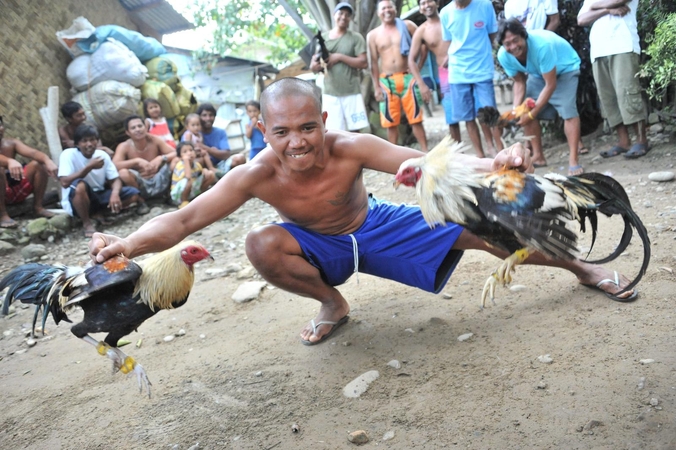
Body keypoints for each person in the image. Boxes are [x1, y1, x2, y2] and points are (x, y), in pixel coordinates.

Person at [89, 78, 637, 346]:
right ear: (263, 131)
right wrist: (129, 244)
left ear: (323, 119)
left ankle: (582, 268)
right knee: (261, 242)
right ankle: (332, 303)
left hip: (375, 225)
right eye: (282, 132)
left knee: (490, 233)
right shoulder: (254, 173)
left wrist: (499, 159)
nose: (299, 142)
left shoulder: (350, 146)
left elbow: (426, 162)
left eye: (308, 128)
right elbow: (184, 220)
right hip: (318, 246)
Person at [496, 18, 584, 174]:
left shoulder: (542, 46)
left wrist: (532, 113)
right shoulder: (503, 55)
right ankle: (538, 156)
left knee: (568, 112)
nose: (513, 47)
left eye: (516, 40)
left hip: (565, 69)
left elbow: (550, 85)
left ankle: (573, 161)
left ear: (524, 36)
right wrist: (517, 111)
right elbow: (519, 83)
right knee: (525, 112)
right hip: (538, 73)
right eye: (507, 44)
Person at [578, 0, 648, 159]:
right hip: (598, 51)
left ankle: (641, 140)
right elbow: (581, 19)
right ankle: (623, 142)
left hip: (623, 45)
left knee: (629, 92)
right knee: (608, 98)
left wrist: (596, 6)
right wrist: (608, 10)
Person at [440, 0, 504, 158]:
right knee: (467, 117)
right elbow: (451, 40)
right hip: (458, 71)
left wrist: (481, 51)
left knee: (490, 113)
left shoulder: (485, 5)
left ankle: (500, 150)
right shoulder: (445, 13)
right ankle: (480, 155)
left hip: (482, 68)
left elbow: (492, 34)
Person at [58, 124, 141, 238]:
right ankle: (87, 223)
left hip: (99, 195)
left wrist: (115, 194)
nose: (89, 144)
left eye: (92, 140)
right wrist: (89, 167)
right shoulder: (68, 155)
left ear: (97, 142)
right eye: (84, 141)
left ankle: (100, 214)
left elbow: (115, 179)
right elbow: (64, 182)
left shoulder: (102, 155)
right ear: (77, 143)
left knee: (133, 195)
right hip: (79, 199)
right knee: (79, 185)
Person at [367, 0, 428, 151]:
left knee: (416, 119)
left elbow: (423, 45)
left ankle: (425, 152)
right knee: (390, 122)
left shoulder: (407, 25)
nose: (387, 10)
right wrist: (376, 87)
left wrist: (417, 68)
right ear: (378, 13)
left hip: (408, 77)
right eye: (383, 8)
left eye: (390, 7)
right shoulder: (373, 35)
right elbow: (373, 63)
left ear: (395, 9)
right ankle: (393, 155)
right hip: (387, 81)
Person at [309, 2, 370, 133]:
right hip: (330, 92)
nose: (343, 17)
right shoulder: (323, 38)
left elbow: (363, 63)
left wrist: (339, 57)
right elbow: (313, 66)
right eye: (341, 13)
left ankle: (356, 154)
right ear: (334, 15)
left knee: (355, 130)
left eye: (347, 15)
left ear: (351, 19)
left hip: (351, 90)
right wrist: (316, 65)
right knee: (333, 131)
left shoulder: (356, 38)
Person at [409, 0, 462, 143]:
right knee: (452, 117)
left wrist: (452, 55)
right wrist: (421, 84)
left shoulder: (451, 17)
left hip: (464, 66)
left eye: (429, 1)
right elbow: (411, 60)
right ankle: (458, 150)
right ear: (420, 9)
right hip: (444, 74)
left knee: (478, 109)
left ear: (436, 3)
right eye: (423, 3)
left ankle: (489, 146)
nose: (427, 5)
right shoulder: (422, 31)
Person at [0, 115, 59, 228]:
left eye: (0, 124)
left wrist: (47, 160)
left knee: (38, 164)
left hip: (13, 189)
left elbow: (33, 153)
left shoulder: (11, 143)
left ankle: (38, 207)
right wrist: (9, 161)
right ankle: (2, 215)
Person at [113, 115, 176, 208]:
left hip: (159, 178)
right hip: (141, 183)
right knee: (123, 173)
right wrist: (136, 161)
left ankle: (170, 195)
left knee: (176, 161)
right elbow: (114, 165)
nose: (138, 129)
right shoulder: (124, 146)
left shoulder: (154, 140)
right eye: (133, 128)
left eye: (140, 126)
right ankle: (141, 202)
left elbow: (176, 153)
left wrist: (161, 158)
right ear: (127, 132)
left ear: (145, 127)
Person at [196, 103, 246, 177]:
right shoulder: (194, 134)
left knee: (240, 158)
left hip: (221, 165)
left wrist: (207, 149)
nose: (208, 118)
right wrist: (214, 152)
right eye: (204, 115)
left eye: (211, 115)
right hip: (204, 168)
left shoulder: (220, 132)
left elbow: (226, 154)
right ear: (199, 117)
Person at [170, 142, 216, 209]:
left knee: (210, 174)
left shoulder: (196, 165)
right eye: (185, 152)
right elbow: (187, 177)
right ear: (180, 156)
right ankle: (184, 201)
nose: (189, 153)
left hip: (191, 190)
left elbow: (201, 174)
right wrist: (186, 161)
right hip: (178, 195)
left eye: (191, 150)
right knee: (188, 180)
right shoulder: (180, 165)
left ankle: (199, 197)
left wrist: (205, 170)